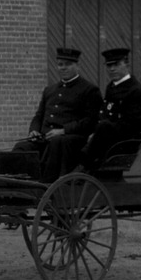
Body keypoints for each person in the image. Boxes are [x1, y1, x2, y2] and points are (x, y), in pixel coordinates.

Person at [12, 46, 102, 182]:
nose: (63, 68)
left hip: (71, 141)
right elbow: (39, 115)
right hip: (45, 139)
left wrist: (63, 130)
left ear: (77, 66)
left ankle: (45, 183)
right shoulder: (50, 90)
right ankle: (18, 183)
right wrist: (34, 130)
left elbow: (90, 121)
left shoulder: (89, 90)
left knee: (57, 142)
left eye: (68, 64)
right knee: (22, 147)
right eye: (60, 64)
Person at [80, 47, 141, 175]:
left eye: (116, 65)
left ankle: (83, 165)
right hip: (108, 137)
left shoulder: (137, 91)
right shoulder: (111, 87)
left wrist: (100, 132)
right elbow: (104, 113)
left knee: (103, 126)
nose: (112, 69)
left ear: (127, 64)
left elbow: (132, 126)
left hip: (124, 142)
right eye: (109, 66)